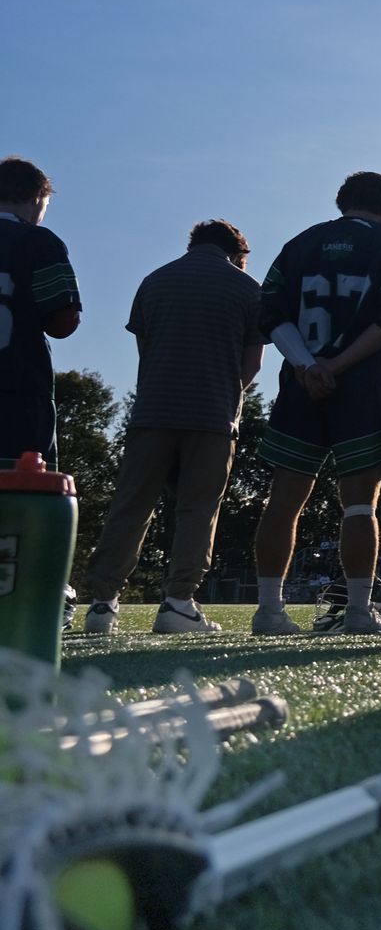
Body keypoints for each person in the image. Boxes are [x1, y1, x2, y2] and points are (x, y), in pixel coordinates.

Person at [249, 171, 381, 635]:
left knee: (282, 503)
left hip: (300, 384)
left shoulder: (300, 244)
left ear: (341, 201)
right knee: (359, 506)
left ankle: (269, 611)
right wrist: (339, 365)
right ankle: (356, 610)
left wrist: (309, 366)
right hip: (361, 386)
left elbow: (270, 314)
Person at [83, 220, 263, 633]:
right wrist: (228, 394)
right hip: (212, 415)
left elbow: (146, 352)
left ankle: (103, 603)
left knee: (131, 505)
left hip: (153, 411)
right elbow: (250, 365)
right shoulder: (247, 289)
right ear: (238, 254)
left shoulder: (154, 281)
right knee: (198, 509)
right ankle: (179, 601)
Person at [0, 157, 82, 470]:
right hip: (18, 392)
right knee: (22, 495)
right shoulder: (40, 242)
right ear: (37, 198)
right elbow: (62, 321)